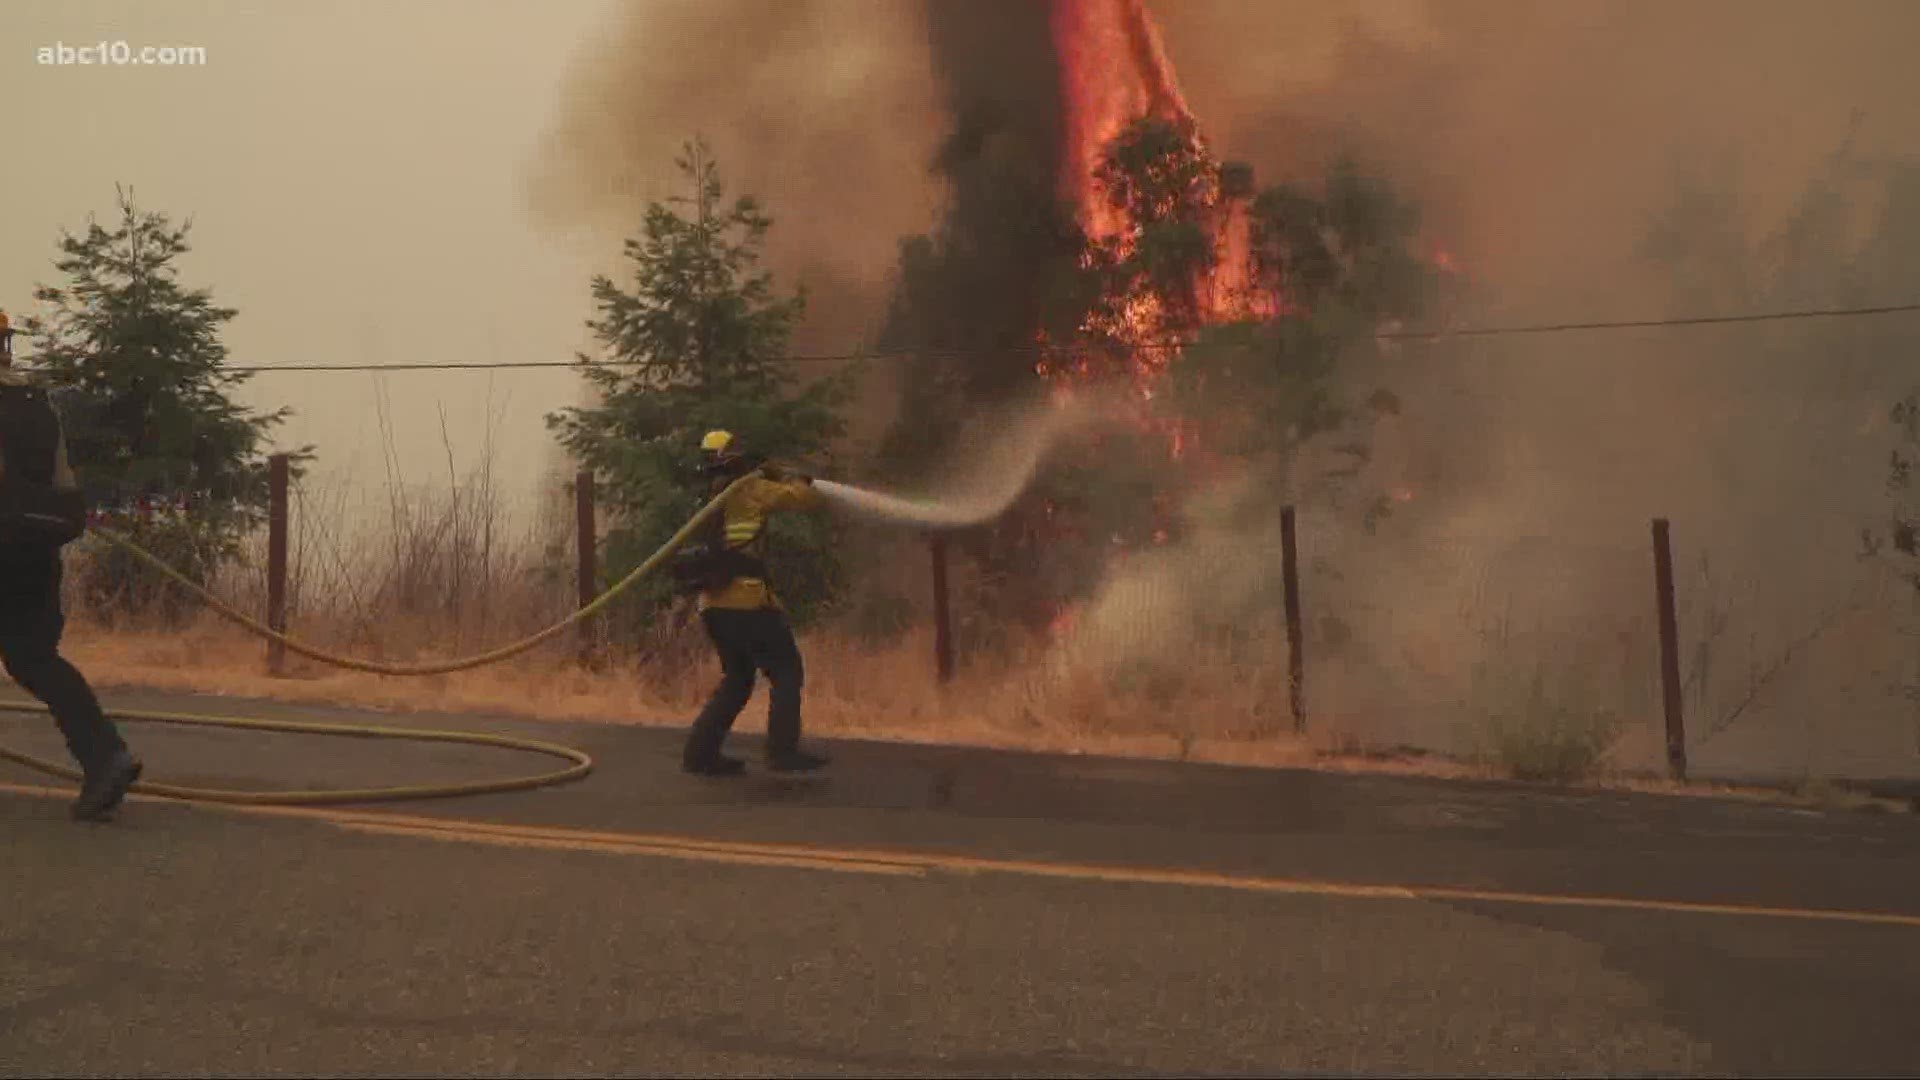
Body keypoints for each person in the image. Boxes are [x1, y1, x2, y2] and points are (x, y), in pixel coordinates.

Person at [0, 352, 143, 820]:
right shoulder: (36, 406)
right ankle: (104, 758)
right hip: (34, 549)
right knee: (35, 658)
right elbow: (64, 484)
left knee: (30, 658)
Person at [681, 429, 831, 776]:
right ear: (733, 456)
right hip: (747, 602)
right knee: (786, 669)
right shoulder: (747, 488)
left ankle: (700, 754)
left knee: (737, 678)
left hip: (713, 604)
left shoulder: (711, 494)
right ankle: (782, 753)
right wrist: (796, 477)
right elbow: (801, 498)